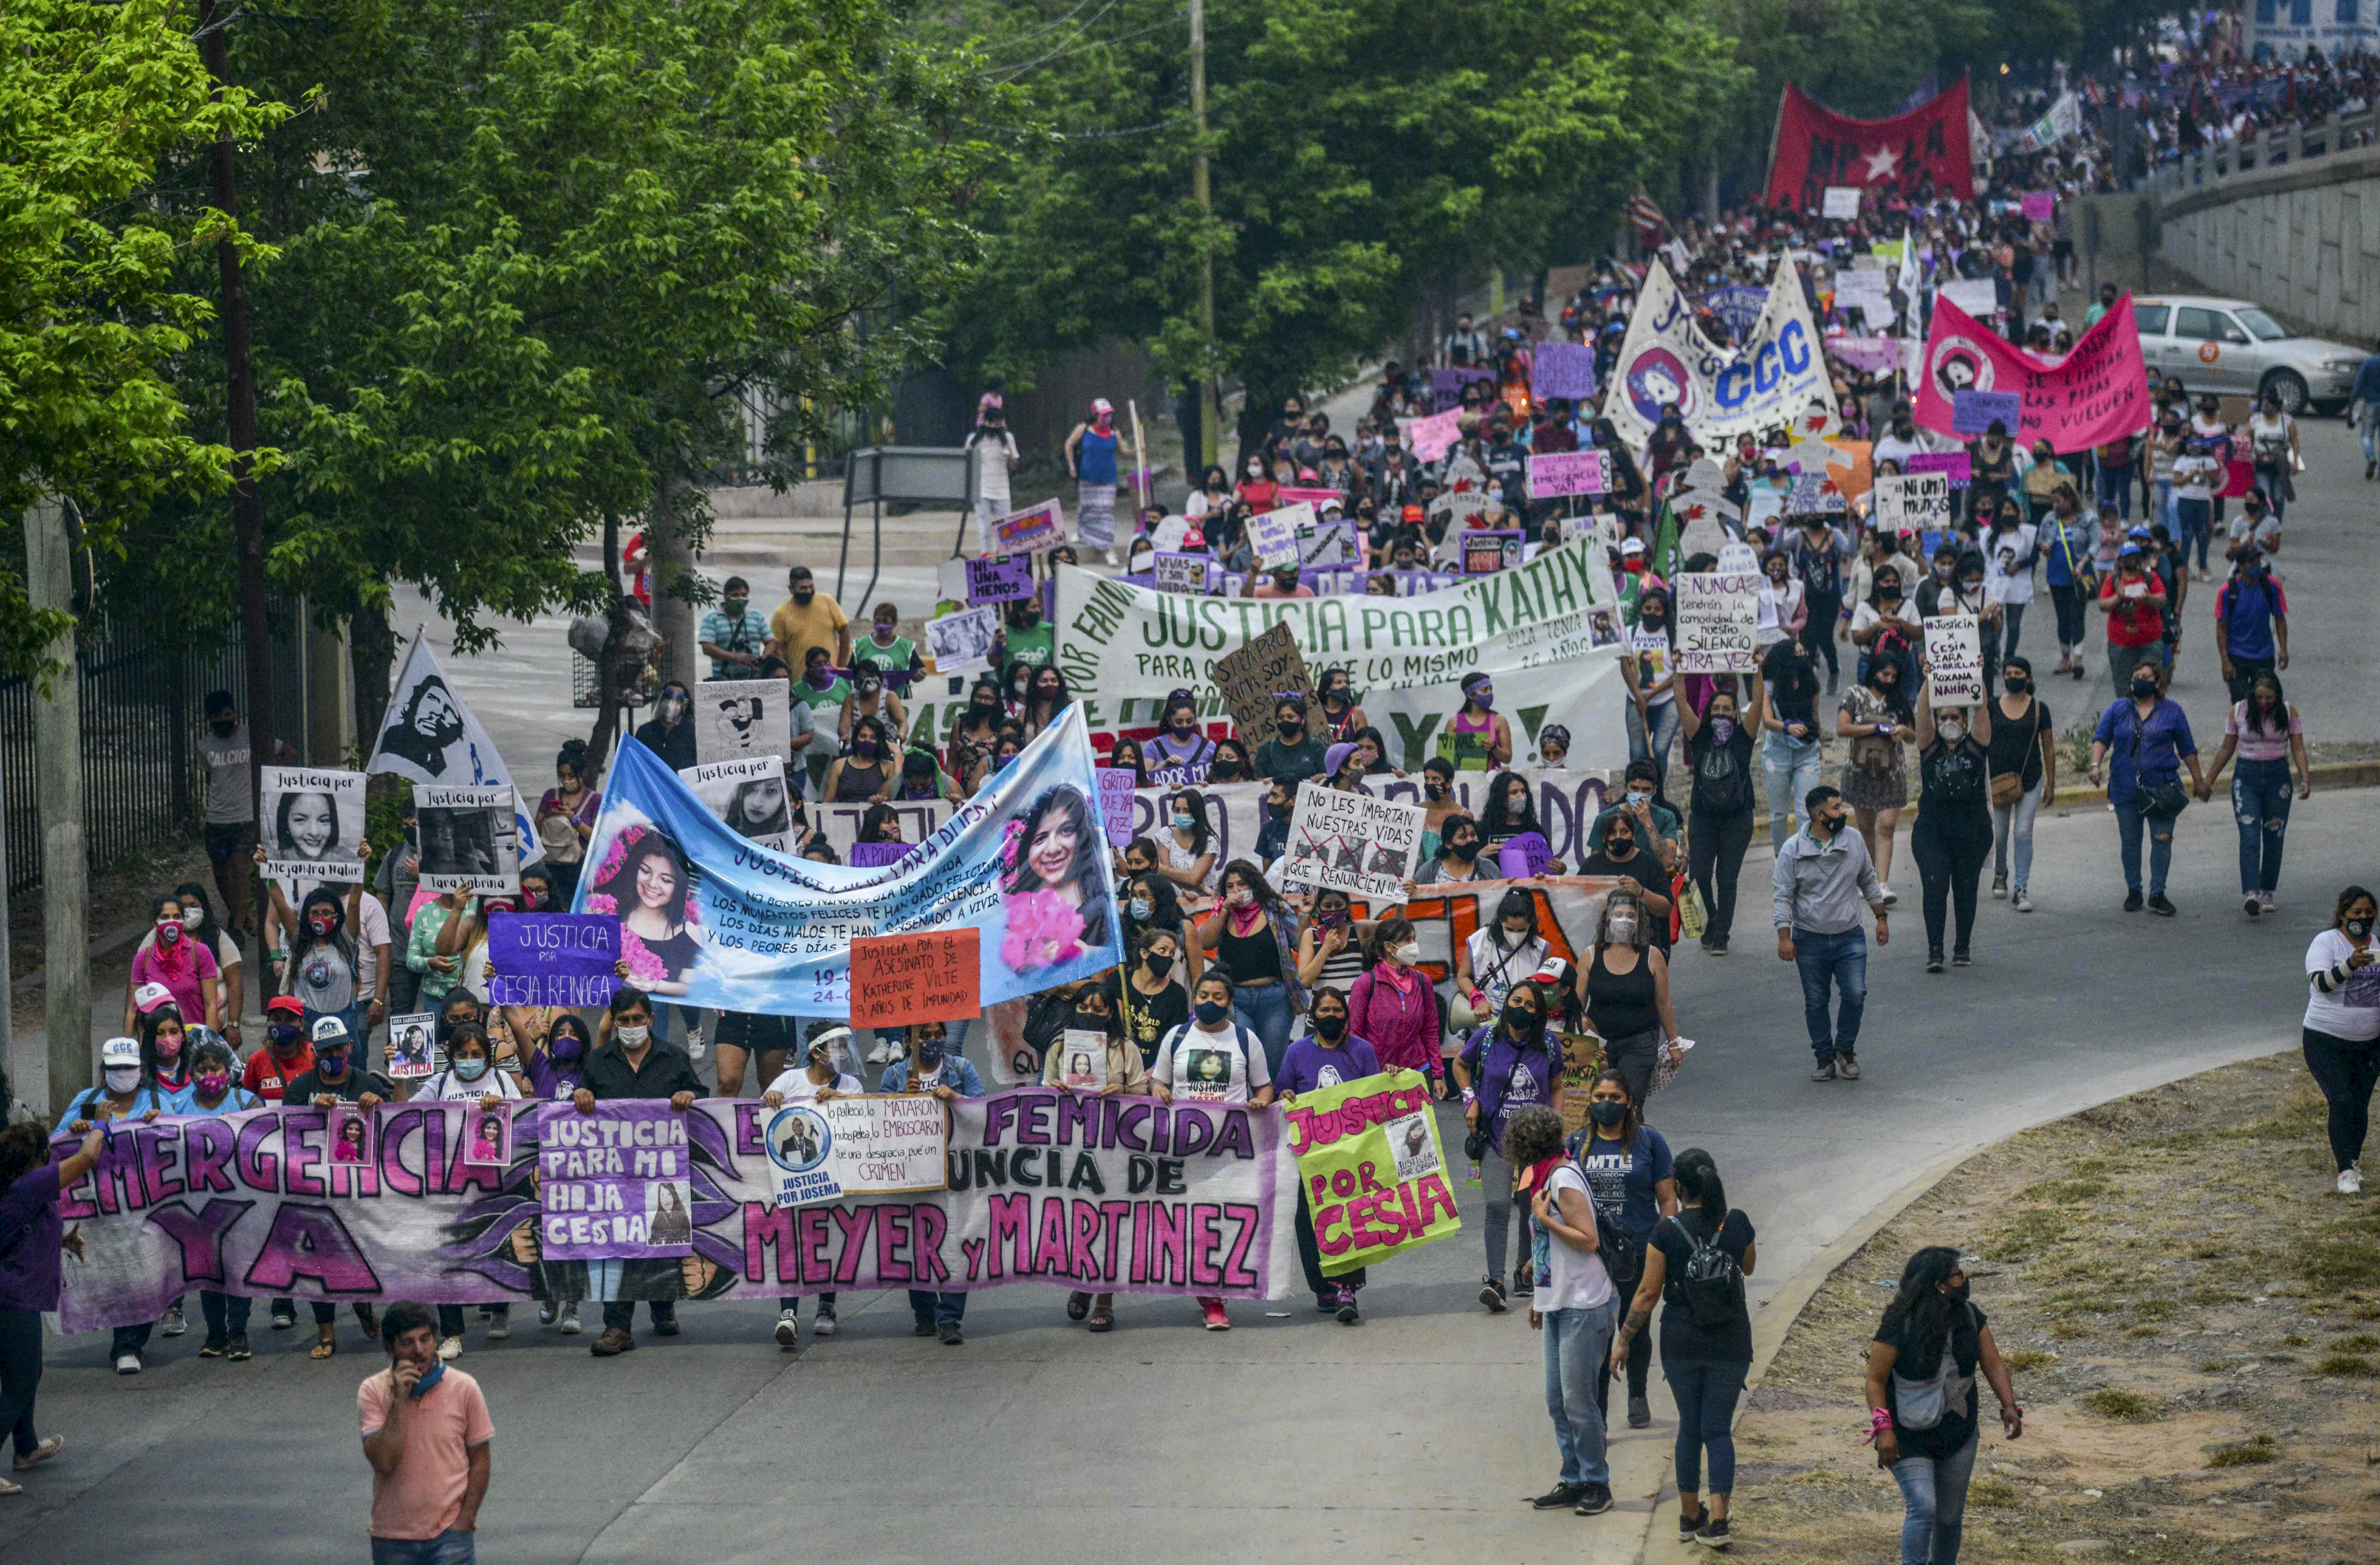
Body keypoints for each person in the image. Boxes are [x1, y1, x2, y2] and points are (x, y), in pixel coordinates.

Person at [1612, 1148, 1756, 1552]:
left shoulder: (1666, 1231)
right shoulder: (1737, 1223)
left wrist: (1624, 1341)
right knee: (1718, 1430)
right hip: (1731, 1343)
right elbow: (1748, 1267)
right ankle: (1721, 1519)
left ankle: (1689, 1515)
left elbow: (1646, 1294)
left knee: (1690, 1429)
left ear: (1678, 1185)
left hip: (1682, 1342)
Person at [1865, 1248, 2023, 1565]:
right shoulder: (1898, 1323)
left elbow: (1993, 1364)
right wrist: (1883, 1430)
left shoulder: (1970, 1316)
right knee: (1923, 1505)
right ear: (1939, 1284)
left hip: (1958, 1433)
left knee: (1949, 1517)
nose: (1963, 1279)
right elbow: (1875, 1381)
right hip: (1906, 1434)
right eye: (1957, 1274)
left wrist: (2010, 1406)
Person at [575, 987, 705, 1357]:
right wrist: (581, 1096)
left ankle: (663, 1307)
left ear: (650, 1019)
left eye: (637, 1019)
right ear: (614, 1023)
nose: (631, 1026)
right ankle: (617, 1326)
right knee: (617, 1246)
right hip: (614, 1176)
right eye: (624, 1021)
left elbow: (703, 1097)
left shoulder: (674, 1057)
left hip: (664, 1171)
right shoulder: (599, 1061)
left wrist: (690, 1097)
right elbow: (580, 1099)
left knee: (665, 1241)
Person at [1507, 1103, 1618, 1518]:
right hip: (1560, 1302)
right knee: (1558, 1400)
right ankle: (1573, 1479)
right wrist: (1540, 1294)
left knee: (1578, 1401)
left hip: (1585, 1304)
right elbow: (1550, 1249)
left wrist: (1545, 1220)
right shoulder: (1547, 1175)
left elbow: (1587, 1240)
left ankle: (1597, 1482)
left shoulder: (1564, 1178)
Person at [1150, 973, 1274, 1329]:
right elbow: (1159, 1080)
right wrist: (1158, 1090)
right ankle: (1209, 1294)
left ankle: (1214, 1297)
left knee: (1221, 1220)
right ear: (1194, 1000)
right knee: (1192, 1221)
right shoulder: (1176, 1038)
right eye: (1203, 994)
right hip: (1185, 1150)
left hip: (1230, 1150)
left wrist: (1260, 1104)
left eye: (1218, 996)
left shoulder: (1245, 1040)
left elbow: (1265, 1087)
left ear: (1230, 1003)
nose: (1210, 1001)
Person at [1570, 1069, 1676, 1434]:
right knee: (1598, 1333)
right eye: (1599, 1097)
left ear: (1629, 1102)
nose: (1607, 1104)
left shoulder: (1650, 1142)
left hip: (1639, 1251)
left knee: (1636, 1328)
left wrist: (1666, 1246)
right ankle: (1598, 1410)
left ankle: (1637, 1394)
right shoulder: (1576, 1143)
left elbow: (1667, 1200)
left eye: (1615, 1098)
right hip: (1592, 1255)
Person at [0, 1121, 104, 1489]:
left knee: (25, 1376)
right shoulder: (28, 1186)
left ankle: (26, 1448)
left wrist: (61, 1242)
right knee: (20, 1383)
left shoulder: (19, 1190)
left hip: (15, 1298)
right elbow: (89, 1156)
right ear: (39, 1157)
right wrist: (102, 1122)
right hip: (13, 1301)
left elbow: (18, 1236)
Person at [286, 1015, 391, 1358]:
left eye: (339, 1047)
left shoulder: (365, 1081)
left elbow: (399, 1125)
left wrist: (379, 1106)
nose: (335, 1053)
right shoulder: (302, 1087)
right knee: (320, 1262)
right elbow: (282, 1132)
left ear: (350, 1047)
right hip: (315, 1189)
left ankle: (362, 1306)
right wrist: (309, 1112)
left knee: (358, 1258)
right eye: (327, 1049)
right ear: (315, 1052)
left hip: (358, 1189)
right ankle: (326, 1333)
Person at [1452, 978, 1560, 1312]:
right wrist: (1470, 1099)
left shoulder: (1550, 1044)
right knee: (1497, 1206)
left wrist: (1556, 1121)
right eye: (1517, 1001)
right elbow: (1460, 1065)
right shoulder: (1486, 1039)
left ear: (1539, 1013)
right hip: (1495, 1139)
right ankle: (1496, 1282)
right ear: (1506, 1005)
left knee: (1532, 1207)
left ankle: (1524, 1270)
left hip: (1535, 1145)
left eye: (1530, 1005)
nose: (1522, 1009)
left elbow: (1557, 1085)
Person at [360, 1300, 494, 1565]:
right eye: (407, 1342)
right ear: (391, 1348)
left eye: (426, 1339)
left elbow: (480, 1459)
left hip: (450, 1538)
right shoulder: (373, 1391)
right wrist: (399, 1401)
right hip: (392, 1538)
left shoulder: (465, 1387)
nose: (419, 1350)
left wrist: (466, 1519)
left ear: (436, 1339)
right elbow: (384, 1461)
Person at [759, 1025, 865, 1351]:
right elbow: (762, 1113)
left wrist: (841, 1101)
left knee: (828, 1241)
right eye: (836, 1046)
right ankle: (788, 1313)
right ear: (817, 1052)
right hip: (794, 1182)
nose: (842, 1053)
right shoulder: (790, 1081)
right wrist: (771, 1098)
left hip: (836, 1178)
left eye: (845, 1046)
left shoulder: (851, 1085)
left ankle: (826, 1304)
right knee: (791, 1243)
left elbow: (864, 1123)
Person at [1775, 784, 1890, 1082]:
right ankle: (1824, 1057)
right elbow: (1783, 896)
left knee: (1856, 993)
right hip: (1809, 938)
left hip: (1850, 935)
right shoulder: (1793, 850)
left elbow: (1868, 878)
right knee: (1816, 1000)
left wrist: (1881, 917)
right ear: (1818, 815)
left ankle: (1846, 1050)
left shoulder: (1853, 841)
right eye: (1837, 808)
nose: (1843, 813)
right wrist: (1784, 937)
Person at [2089, 664, 2204, 916]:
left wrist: (2199, 780)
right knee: (2131, 842)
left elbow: (2188, 749)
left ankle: (2158, 893)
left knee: (2162, 841)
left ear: (2157, 683)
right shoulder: (2118, 709)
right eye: (2136, 678)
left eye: (2146, 678)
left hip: (2162, 787)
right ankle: (2134, 890)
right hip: (2125, 786)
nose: (2140, 682)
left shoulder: (2172, 712)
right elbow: (2102, 738)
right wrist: (2096, 765)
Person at [2198, 670, 2312, 916]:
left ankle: (2267, 890)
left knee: (2274, 834)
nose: (2263, 703)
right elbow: (2227, 747)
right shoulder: (2239, 711)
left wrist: (2305, 778)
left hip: (2277, 776)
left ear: (2277, 695)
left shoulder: (2289, 711)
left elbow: (2299, 748)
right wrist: (2208, 780)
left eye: (2269, 698)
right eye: (2259, 698)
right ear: (2252, 696)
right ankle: (2251, 892)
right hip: (2246, 777)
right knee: (2249, 835)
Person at [179, 1034, 263, 1359]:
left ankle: (239, 1331)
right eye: (202, 1069)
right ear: (192, 1073)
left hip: (242, 1199)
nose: (209, 1074)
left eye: (216, 1067)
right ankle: (216, 1334)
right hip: (198, 1202)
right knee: (209, 1271)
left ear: (228, 1071)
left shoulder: (247, 1103)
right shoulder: (180, 1106)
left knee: (238, 1267)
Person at [1910, 663, 1994, 972]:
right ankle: (1935, 950)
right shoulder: (1929, 747)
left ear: (1964, 720)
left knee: (1966, 887)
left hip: (1971, 831)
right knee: (1935, 886)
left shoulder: (1976, 746)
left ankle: (1962, 946)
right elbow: (1922, 712)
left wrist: (1977, 674)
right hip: (1933, 830)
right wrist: (1930, 679)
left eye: (1954, 717)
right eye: (1943, 717)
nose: (1948, 722)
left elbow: (1982, 708)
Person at [1677, 674, 1764, 954]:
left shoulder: (1743, 737)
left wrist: (1758, 670)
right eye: (1716, 709)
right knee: (1700, 875)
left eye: (1727, 710)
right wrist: (1679, 671)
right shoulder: (1699, 736)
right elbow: (1681, 701)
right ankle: (1711, 919)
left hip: (1737, 819)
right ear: (1707, 712)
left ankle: (1722, 935)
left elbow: (1760, 700)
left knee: (1727, 878)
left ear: (1736, 713)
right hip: (1703, 817)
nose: (1722, 714)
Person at [198, 689, 294, 935]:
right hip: (217, 817)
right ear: (209, 718)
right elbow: (211, 778)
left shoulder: (251, 736)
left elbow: (288, 752)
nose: (223, 720)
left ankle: (237, 927)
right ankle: (242, 915)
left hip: (246, 816)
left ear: (234, 713)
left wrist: (272, 779)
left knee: (241, 869)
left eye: (227, 714)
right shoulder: (205, 744)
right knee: (222, 873)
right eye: (216, 716)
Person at [2304, 888, 2380, 1194]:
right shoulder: (2326, 942)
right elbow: (2321, 984)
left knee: (2360, 1105)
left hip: (2367, 1043)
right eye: (2357, 913)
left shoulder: (2375, 945)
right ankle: (2344, 1170)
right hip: (2325, 1040)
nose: (2364, 918)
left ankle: (2354, 1159)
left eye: (2368, 913)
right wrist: (2350, 965)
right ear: (2343, 915)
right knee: (2342, 1100)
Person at [1195, 861, 1304, 1074]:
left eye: (1242, 884)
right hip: (1237, 1000)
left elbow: (1299, 942)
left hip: (1276, 1000)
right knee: (1243, 1060)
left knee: (1272, 1063)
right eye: (1230, 886)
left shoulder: (1276, 909)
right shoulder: (1224, 913)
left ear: (1254, 885)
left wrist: (1308, 917)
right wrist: (1225, 908)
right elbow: (1205, 942)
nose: (1236, 891)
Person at [1582, 890, 1677, 1107]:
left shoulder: (1653, 956)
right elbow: (1578, 1005)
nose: (1624, 921)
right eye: (1618, 915)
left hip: (1640, 1043)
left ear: (1640, 921)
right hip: (1600, 1043)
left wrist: (1674, 1043)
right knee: (1600, 1105)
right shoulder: (1590, 956)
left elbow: (1664, 1003)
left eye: (1630, 916)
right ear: (1607, 920)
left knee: (1631, 1104)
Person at [1836, 656, 1913, 903]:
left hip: (1893, 772)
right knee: (1867, 827)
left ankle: (1883, 884)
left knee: (1887, 825)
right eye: (1884, 674)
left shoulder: (1900, 699)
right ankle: (1870, 879)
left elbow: (1914, 736)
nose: (1889, 680)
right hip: (1861, 770)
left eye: (1893, 676)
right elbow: (1842, 728)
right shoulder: (1854, 695)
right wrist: (1876, 728)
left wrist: (1904, 731)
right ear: (1874, 672)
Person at [1986, 657, 2054, 912]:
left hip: (2030, 780)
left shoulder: (2039, 709)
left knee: (2023, 832)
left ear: (2029, 678)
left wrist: (2051, 783)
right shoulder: (1992, 706)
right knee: (2000, 835)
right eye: (2008, 672)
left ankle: (2021, 889)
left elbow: (2048, 746)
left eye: (2018, 673)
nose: (2012, 677)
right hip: (1998, 781)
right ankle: (2000, 872)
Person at [1345, 918, 1439, 1085]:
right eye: (1407, 940)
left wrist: (1438, 1075)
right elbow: (1354, 1036)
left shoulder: (1423, 982)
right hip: (1378, 1075)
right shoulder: (1366, 984)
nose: (1413, 945)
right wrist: (1365, 1073)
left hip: (1418, 1073)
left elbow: (1430, 1032)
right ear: (1389, 947)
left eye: (1414, 939)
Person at [1453, 887, 1551, 1041]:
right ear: (1500, 922)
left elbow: (1547, 991)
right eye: (1510, 929)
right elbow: (1463, 977)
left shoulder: (1541, 950)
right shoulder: (1480, 941)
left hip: (1524, 1032)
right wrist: (1479, 1000)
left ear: (1531, 924)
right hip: (1484, 1028)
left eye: (1522, 930)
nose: (1516, 935)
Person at [1760, 637, 1826, 850]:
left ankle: (1804, 854)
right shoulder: (1770, 687)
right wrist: (1786, 726)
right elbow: (1767, 721)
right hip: (1777, 753)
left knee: (1806, 810)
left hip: (1807, 752)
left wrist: (1819, 743)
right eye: (1796, 655)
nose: (1801, 659)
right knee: (1779, 812)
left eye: (1803, 654)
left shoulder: (1811, 682)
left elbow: (1816, 717)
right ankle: (1782, 856)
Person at [128, 890, 223, 1034]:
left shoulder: (200, 953)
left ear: (183, 921)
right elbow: (133, 1010)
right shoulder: (144, 958)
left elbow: (211, 1005)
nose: (171, 922)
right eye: (165, 917)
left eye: (177, 917)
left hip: (193, 1039)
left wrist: (209, 1044)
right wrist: (130, 1051)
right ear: (155, 922)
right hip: (158, 1043)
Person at [1578, 809, 1672, 953]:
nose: (1619, 838)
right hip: (1603, 949)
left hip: (1643, 947)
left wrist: (1641, 892)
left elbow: (1666, 908)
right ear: (1604, 838)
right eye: (1612, 833)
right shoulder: (1592, 866)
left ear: (1633, 836)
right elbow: (1575, 902)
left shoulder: (1650, 864)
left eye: (1624, 832)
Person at [2214, 545, 2288, 704]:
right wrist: (2225, 661)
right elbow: (2222, 628)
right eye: (2250, 562)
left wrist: (2283, 649)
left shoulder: (2272, 586)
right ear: (2240, 566)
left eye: (2257, 561)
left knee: (2265, 702)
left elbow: (2280, 619)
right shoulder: (2228, 591)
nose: (2255, 565)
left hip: (2264, 655)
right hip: (2237, 656)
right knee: (2240, 702)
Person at [2096, 540, 2169, 696]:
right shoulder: (2112, 581)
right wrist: (2118, 597)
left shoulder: (2151, 578)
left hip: (2149, 642)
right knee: (2124, 691)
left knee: (2151, 686)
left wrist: (2148, 598)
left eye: (2135, 556)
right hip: (2121, 644)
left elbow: (2162, 600)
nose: (2132, 560)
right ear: (2121, 561)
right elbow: (2103, 605)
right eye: (2128, 557)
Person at [534, 741, 600, 903]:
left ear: (582, 774)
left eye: (571, 776)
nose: (567, 781)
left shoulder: (594, 800)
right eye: (562, 776)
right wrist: (549, 815)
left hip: (579, 868)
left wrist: (573, 819)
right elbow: (536, 832)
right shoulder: (551, 795)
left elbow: (597, 838)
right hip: (552, 865)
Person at [765, 564, 852, 672]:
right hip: (800, 680)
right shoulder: (781, 613)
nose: (809, 591)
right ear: (791, 589)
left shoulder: (828, 602)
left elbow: (844, 632)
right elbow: (780, 650)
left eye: (811, 587)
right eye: (803, 588)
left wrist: (842, 666)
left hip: (831, 676)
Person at [699, 574, 768, 680]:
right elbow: (707, 648)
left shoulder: (757, 617)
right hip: (724, 681)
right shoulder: (712, 618)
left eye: (744, 595)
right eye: (735, 595)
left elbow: (771, 642)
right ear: (726, 596)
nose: (740, 599)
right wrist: (736, 657)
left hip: (754, 679)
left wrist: (763, 659)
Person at [1441, 672, 1512, 771]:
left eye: (1491, 689)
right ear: (1471, 696)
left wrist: (1494, 748)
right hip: (1462, 782)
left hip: (1491, 782)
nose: (1490, 693)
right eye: (1485, 690)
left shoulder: (1499, 721)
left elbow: (1508, 758)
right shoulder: (1454, 722)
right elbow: (1445, 760)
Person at [1253, 696, 1327, 784]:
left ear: (1303, 720)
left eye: (1291, 717)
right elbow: (1257, 783)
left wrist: (1321, 778)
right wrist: (1264, 782)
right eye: (1281, 718)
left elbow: (1326, 777)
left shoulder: (1316, 747)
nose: (1285, 721)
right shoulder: (1266, 750)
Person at [630, 680, 697, 771]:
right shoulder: (646, 731)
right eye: (667, 698)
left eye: (677, 700)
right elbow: (638, 764)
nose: (671, 704)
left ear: (685, 705)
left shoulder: (693, 733)